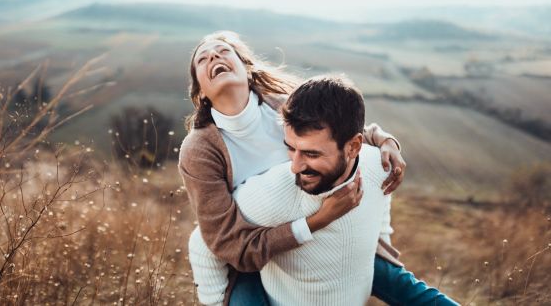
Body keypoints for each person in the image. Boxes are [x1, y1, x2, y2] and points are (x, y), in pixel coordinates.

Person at [178, 31, 413, 305]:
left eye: (222, 51)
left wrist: (385, 140)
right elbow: (228, 243)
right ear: (200, 91)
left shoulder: (284, 104)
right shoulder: (199, 151)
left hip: (322, 234)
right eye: (202, 59)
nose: (214, 57)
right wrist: (318, 221)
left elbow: (340, 132)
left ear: (247, 68)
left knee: (402, 286)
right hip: (251, 258)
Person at [187, 77, 459, 306]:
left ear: (354, 147)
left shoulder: (381, 165)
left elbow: (380, 204)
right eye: (290, 148)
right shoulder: (275, 191)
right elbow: (203, 244)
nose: (294, 166)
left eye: (311, 153)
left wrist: (375, 249)